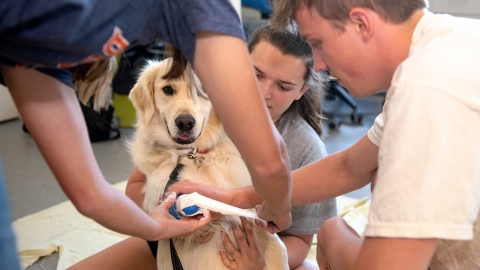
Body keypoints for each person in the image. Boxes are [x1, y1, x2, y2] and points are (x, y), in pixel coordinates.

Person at [174, 0, 480, 269]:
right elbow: (349, 167)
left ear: (361, 23)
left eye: (317, 43)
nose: (318, 64)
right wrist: (238, 197)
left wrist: (333, 241)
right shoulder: (449, 46)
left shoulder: (427, 92)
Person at [0, 0, 293, 263]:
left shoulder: (37, 54)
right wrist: (278, 210)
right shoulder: (206, 10)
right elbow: (270, 160)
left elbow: (90, 195)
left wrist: (158, 228)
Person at [70, 24, 335, 270]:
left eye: (284, 86)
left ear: (302, 90)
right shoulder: (198, 115)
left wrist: (260, 263)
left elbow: (301, 240)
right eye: (256, 74)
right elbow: (135, 189)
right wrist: (171, 215)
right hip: (170, 239)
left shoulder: (306, 147)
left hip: (249, 256)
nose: (264, 92)